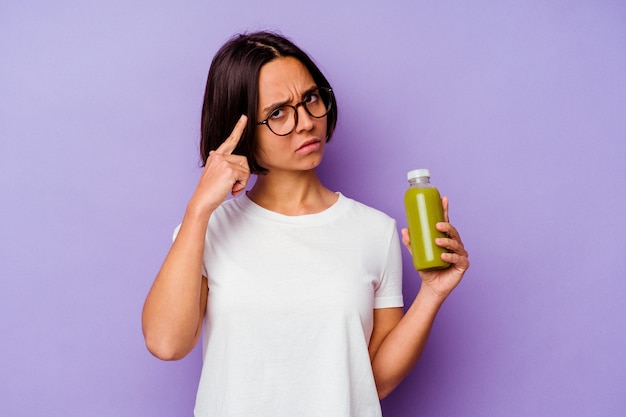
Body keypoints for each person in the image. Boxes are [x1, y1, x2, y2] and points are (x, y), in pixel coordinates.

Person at [142, 31, 469, 417]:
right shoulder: (207, 229)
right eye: (278, 112)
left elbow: (373, 381)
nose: (305, 123)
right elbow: (167, 343)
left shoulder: (374, 231)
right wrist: (199, 208)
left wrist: (432, 294)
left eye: (311, 99)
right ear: (240, 128)